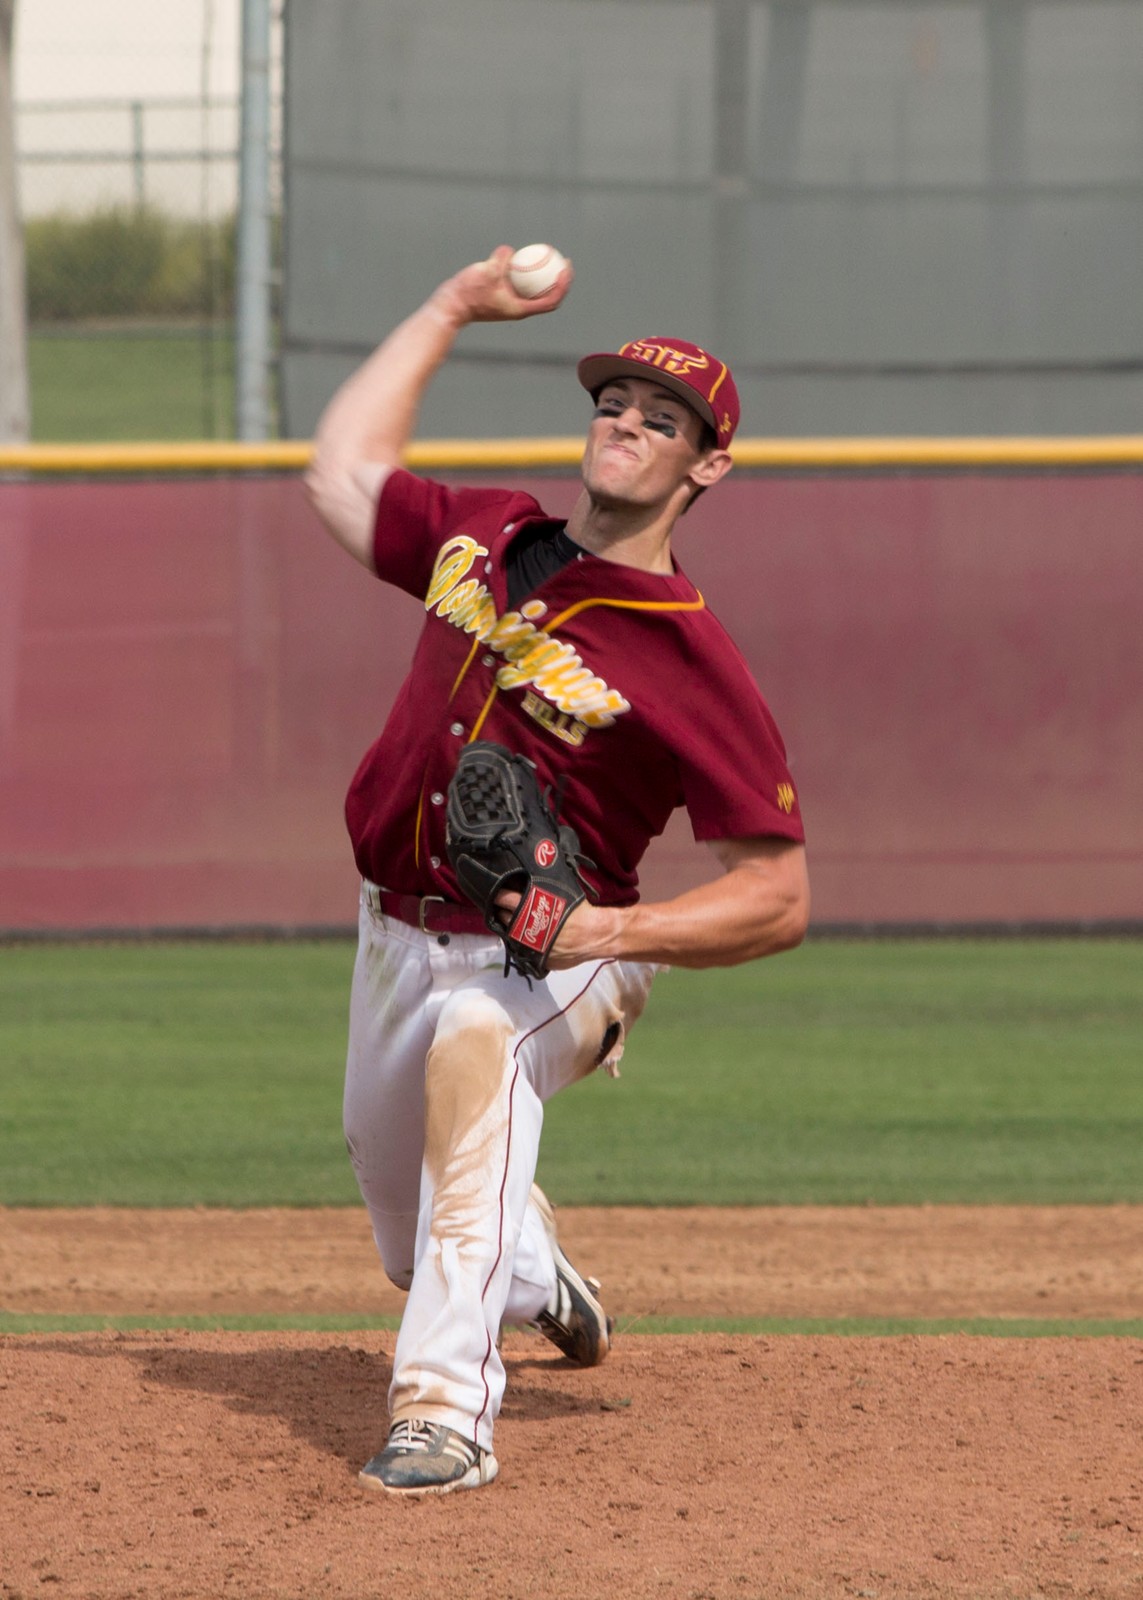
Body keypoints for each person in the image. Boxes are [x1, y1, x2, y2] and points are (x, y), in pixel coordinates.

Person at [305, 246, 810, 1498]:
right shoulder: (485, 532)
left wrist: (602, 935)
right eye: (613, 403)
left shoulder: (693, 657)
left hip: (553, 957)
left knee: (479, 1037)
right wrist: (450, 307)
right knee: (408, 1226)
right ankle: (536, 1276)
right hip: (392, 931)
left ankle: (444, 1415)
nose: (627, 421)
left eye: (665, 418)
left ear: (708, 465)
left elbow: (777, 892)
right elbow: (341, 475)